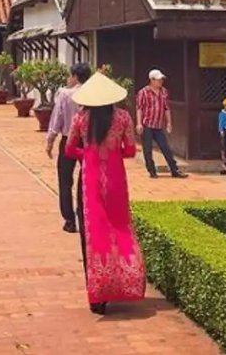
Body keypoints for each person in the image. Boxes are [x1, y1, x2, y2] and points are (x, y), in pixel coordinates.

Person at [63, 71, 146, 315]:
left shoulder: (80, 119)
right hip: (116, 181)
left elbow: (69, 150)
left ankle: (97, 295)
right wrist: (112, 154)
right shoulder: (122, 117)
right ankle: (126, 282)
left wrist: (88, 154)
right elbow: (130, 151)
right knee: (120, 228)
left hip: (90, 182)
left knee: (93, 233)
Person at [46, 63, 93, 233]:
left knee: (65, 181)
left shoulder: (65, 94)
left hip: (68, 141)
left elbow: (57, 118)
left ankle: (70, 220)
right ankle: (85, 216)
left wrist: (50, 140)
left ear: (75, 76)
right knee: (86, 180)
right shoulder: (93, 94)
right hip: (88, 141)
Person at [134, 69, 187, 179]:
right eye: (158, 80)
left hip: (158, 125)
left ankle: (174, 170)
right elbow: (139, 108)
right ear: (152, 80)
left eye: (161, 79)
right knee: (147, 150)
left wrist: (169, 123)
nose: (161, 81)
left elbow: (166, 108)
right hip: (147, 124)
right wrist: (139, 123)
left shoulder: (164, 92)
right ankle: (152, 171)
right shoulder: (143, 92)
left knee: (165, 148)